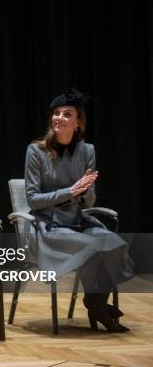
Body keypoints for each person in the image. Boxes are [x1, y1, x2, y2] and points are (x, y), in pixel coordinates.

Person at [24, 87, 134, 333]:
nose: (59, 118)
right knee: (93, 246)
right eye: (56, 113)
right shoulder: (36, 151)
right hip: (48, 225)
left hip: (77, 219)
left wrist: (85, 191)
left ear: (78, 123)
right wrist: (70, 191)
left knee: (114, 244)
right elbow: (32, 200)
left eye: (66, 114)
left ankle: (95, 302)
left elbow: (89, 203)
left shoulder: (88, 151)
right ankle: (98, 307)